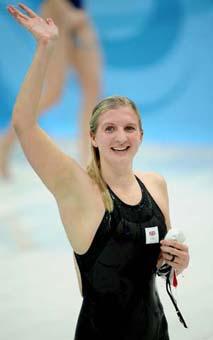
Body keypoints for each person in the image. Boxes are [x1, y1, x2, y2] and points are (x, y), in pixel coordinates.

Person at [6, 4, 190, 339]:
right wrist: (44, 48)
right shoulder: (80, 190)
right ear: (92, 136)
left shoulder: (156, 185)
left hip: (155, 330)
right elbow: (25, 125)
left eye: (129, 128)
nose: (121, 137)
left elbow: (151, 262)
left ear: (141, 135)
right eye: (109, 129)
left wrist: (173, 263)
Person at [0, 0, 101, 177]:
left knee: (93, 92)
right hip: (57, 11)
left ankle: (89, 161)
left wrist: (78, 15)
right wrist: (66, 11)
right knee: (54, 93)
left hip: (78, 13)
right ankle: (5, 145)